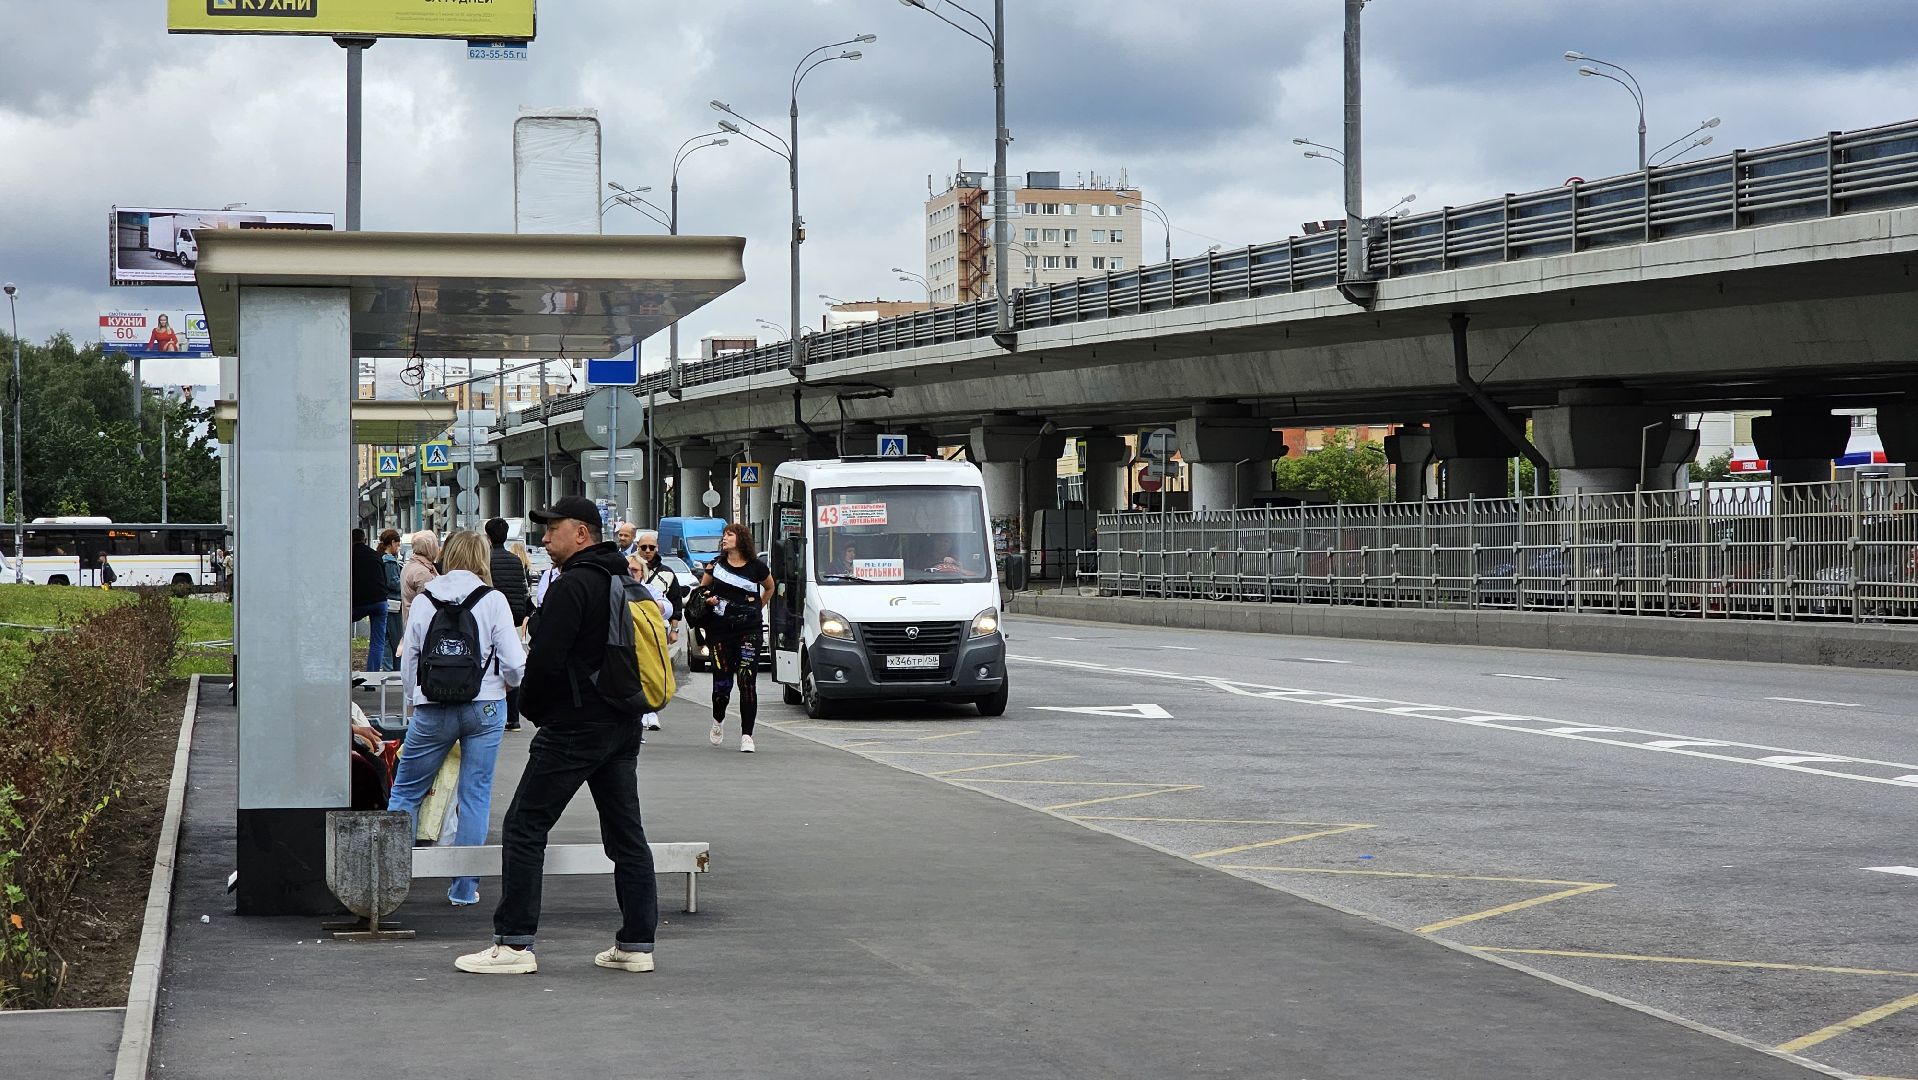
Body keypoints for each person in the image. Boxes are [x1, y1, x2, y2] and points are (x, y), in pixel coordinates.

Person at [456, 495, 659, 976]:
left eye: (553, 530)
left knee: (525, 826)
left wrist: (531, 709)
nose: (545, 539)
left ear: (582, 533)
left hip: (574, 725)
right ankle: (636, 943)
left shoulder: (574, 586)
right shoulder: (621, 579)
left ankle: (514, 944)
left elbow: (545, 660)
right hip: (621, 724)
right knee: (625, 833)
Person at [392, 531, 525, 908]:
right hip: (485, 707)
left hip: (432, 707)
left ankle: (390, 878)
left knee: (406, 791)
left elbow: (410, 659)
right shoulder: (493, 600)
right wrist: (505, 687)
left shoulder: (425, 599)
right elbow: (515, 662)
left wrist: (415, 700)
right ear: (482, 557)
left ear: (447, 556)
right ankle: (464, 889)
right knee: (474, 796)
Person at [700, 522, 772, 753]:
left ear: (740, 539)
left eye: (729, 535)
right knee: (723, 684)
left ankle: (747, 735)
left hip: (749, 630)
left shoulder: (756, 567)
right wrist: (708, 600)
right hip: (720, 631)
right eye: (724, 535)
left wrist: (757, 608)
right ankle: (718, 719)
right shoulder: (715, 565)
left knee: (746, 680)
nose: (725, 538)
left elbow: (770, 587)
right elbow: (702, 591)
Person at [632, 529, 682, 732]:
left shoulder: (665, 574)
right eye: (643, 547)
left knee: (653, 671)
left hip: (656, 633)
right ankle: (639, 714)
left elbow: (673, 604)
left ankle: (652, 712)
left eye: (651, 547)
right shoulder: (623, 579)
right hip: (631, 635)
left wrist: (674, 629)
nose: (647, 551)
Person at [485, 518, 533, 731]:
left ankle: (492, 713)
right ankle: (513, 718)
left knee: (489, 665)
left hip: (489, 618)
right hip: (512, 618)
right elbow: (523, 591)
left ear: (488, 536)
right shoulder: (515, 560)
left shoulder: (485, 560)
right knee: (509, 663)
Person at [349, 529, 388, 668]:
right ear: (365, 540)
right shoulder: (375, 555)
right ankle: (371, 680)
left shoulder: (348, 555)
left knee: (338, 627)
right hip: (380, 601)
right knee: (377, 642)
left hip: (358, 603)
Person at [399, 530, 441, 631]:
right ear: (429, 547)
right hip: (422, 627)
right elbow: (430, 603)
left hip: (411, 622)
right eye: (435, 544)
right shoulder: (422, 573)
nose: (438, 548)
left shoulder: (410, 565)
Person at [377, 529, 404, 671]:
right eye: (398, 545)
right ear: (392, 543)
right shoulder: (390, 562)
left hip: (386, 602)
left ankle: (387, 667)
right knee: (396, 638)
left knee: (385, 638)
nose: (398, 548)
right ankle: (395, 668)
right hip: (394, 603)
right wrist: (405, 583)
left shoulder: (381, 558)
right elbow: (394, 583)